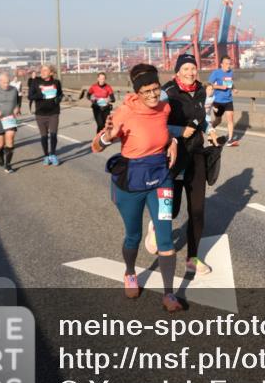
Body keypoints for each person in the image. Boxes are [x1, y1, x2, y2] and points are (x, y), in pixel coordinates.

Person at [91, 63, 182, 313]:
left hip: (161, 178)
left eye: (156, 89)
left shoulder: (165, 107)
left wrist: (172, 141)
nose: (153, 95)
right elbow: (96, 146)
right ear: (137, 92)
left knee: (165, 236)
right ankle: (130, 272)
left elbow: (164, 130)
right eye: (147, 92)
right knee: (134, 234)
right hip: (131, 181)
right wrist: (108, 137)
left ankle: (169, 294)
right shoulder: (124, 112)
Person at [159, 53, 218, 275]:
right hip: (173, 156)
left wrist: (209, 130)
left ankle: (193, 257)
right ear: (177, 72)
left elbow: (201, 117)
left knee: (197, 210)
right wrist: (178, 131)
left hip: (196, 154)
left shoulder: (201, 90)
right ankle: (156, 228)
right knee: (171, 210)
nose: (191, 72)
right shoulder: (167, 93)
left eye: (193, 68)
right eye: (185, 69)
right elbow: (155, 123)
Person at [0, 71, 20, 173]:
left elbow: (17, 101)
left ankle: (8, 164)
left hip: (9, 119)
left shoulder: (14, 90)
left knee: (10, 139)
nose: (6, 85)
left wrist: (17, 108)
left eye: (8, 82)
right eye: (4, 82)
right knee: (0, 144)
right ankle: (0, 153)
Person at [29, 64, 63, 165]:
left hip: (53, 113)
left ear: (51, 72)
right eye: (42, 70)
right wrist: (40, 95)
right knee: (44, 136)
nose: (42, 72)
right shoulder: (36, 81)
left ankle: (53, 154)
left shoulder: (56, 82)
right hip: (40, 114)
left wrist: (59, 98)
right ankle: (46, 156)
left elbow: (60, 93)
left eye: (45, 70)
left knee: (53, 135)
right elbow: (30, 96)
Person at [208, 55, 238, 146]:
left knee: (230, 119)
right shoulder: (216, 73)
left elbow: (230, 83)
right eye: (226, 64)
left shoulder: (230, 73)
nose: (228, 65)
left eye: (229, 63)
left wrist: (234, 89)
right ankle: (210, 129)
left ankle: (230, 140)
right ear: (221, 64)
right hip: (218, 101)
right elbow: (209, 85)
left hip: (228, 100)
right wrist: (220, 87)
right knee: (218, 120)